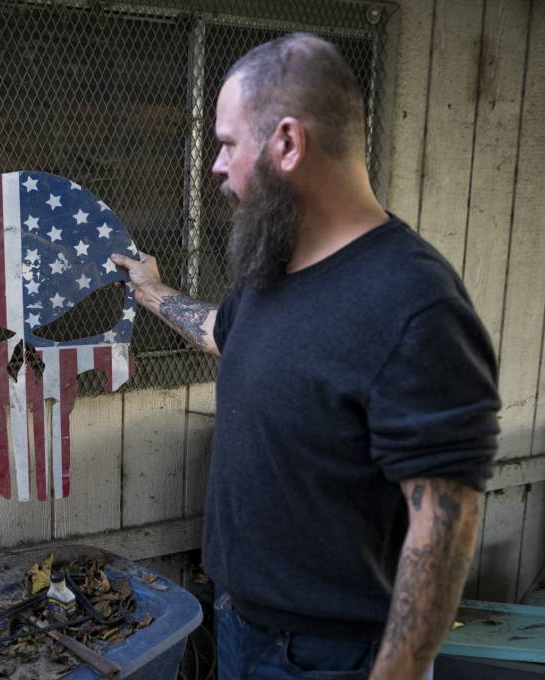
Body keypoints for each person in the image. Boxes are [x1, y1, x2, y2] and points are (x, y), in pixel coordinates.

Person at [112, 33, 500, 680]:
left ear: (287, 144)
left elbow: (444, 528)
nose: (215, 164)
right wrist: (155, 296)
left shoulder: (415, 304)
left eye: (228, 143)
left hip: (329, 657)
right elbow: (226, 332)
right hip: (243, 629)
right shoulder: (277, 273)